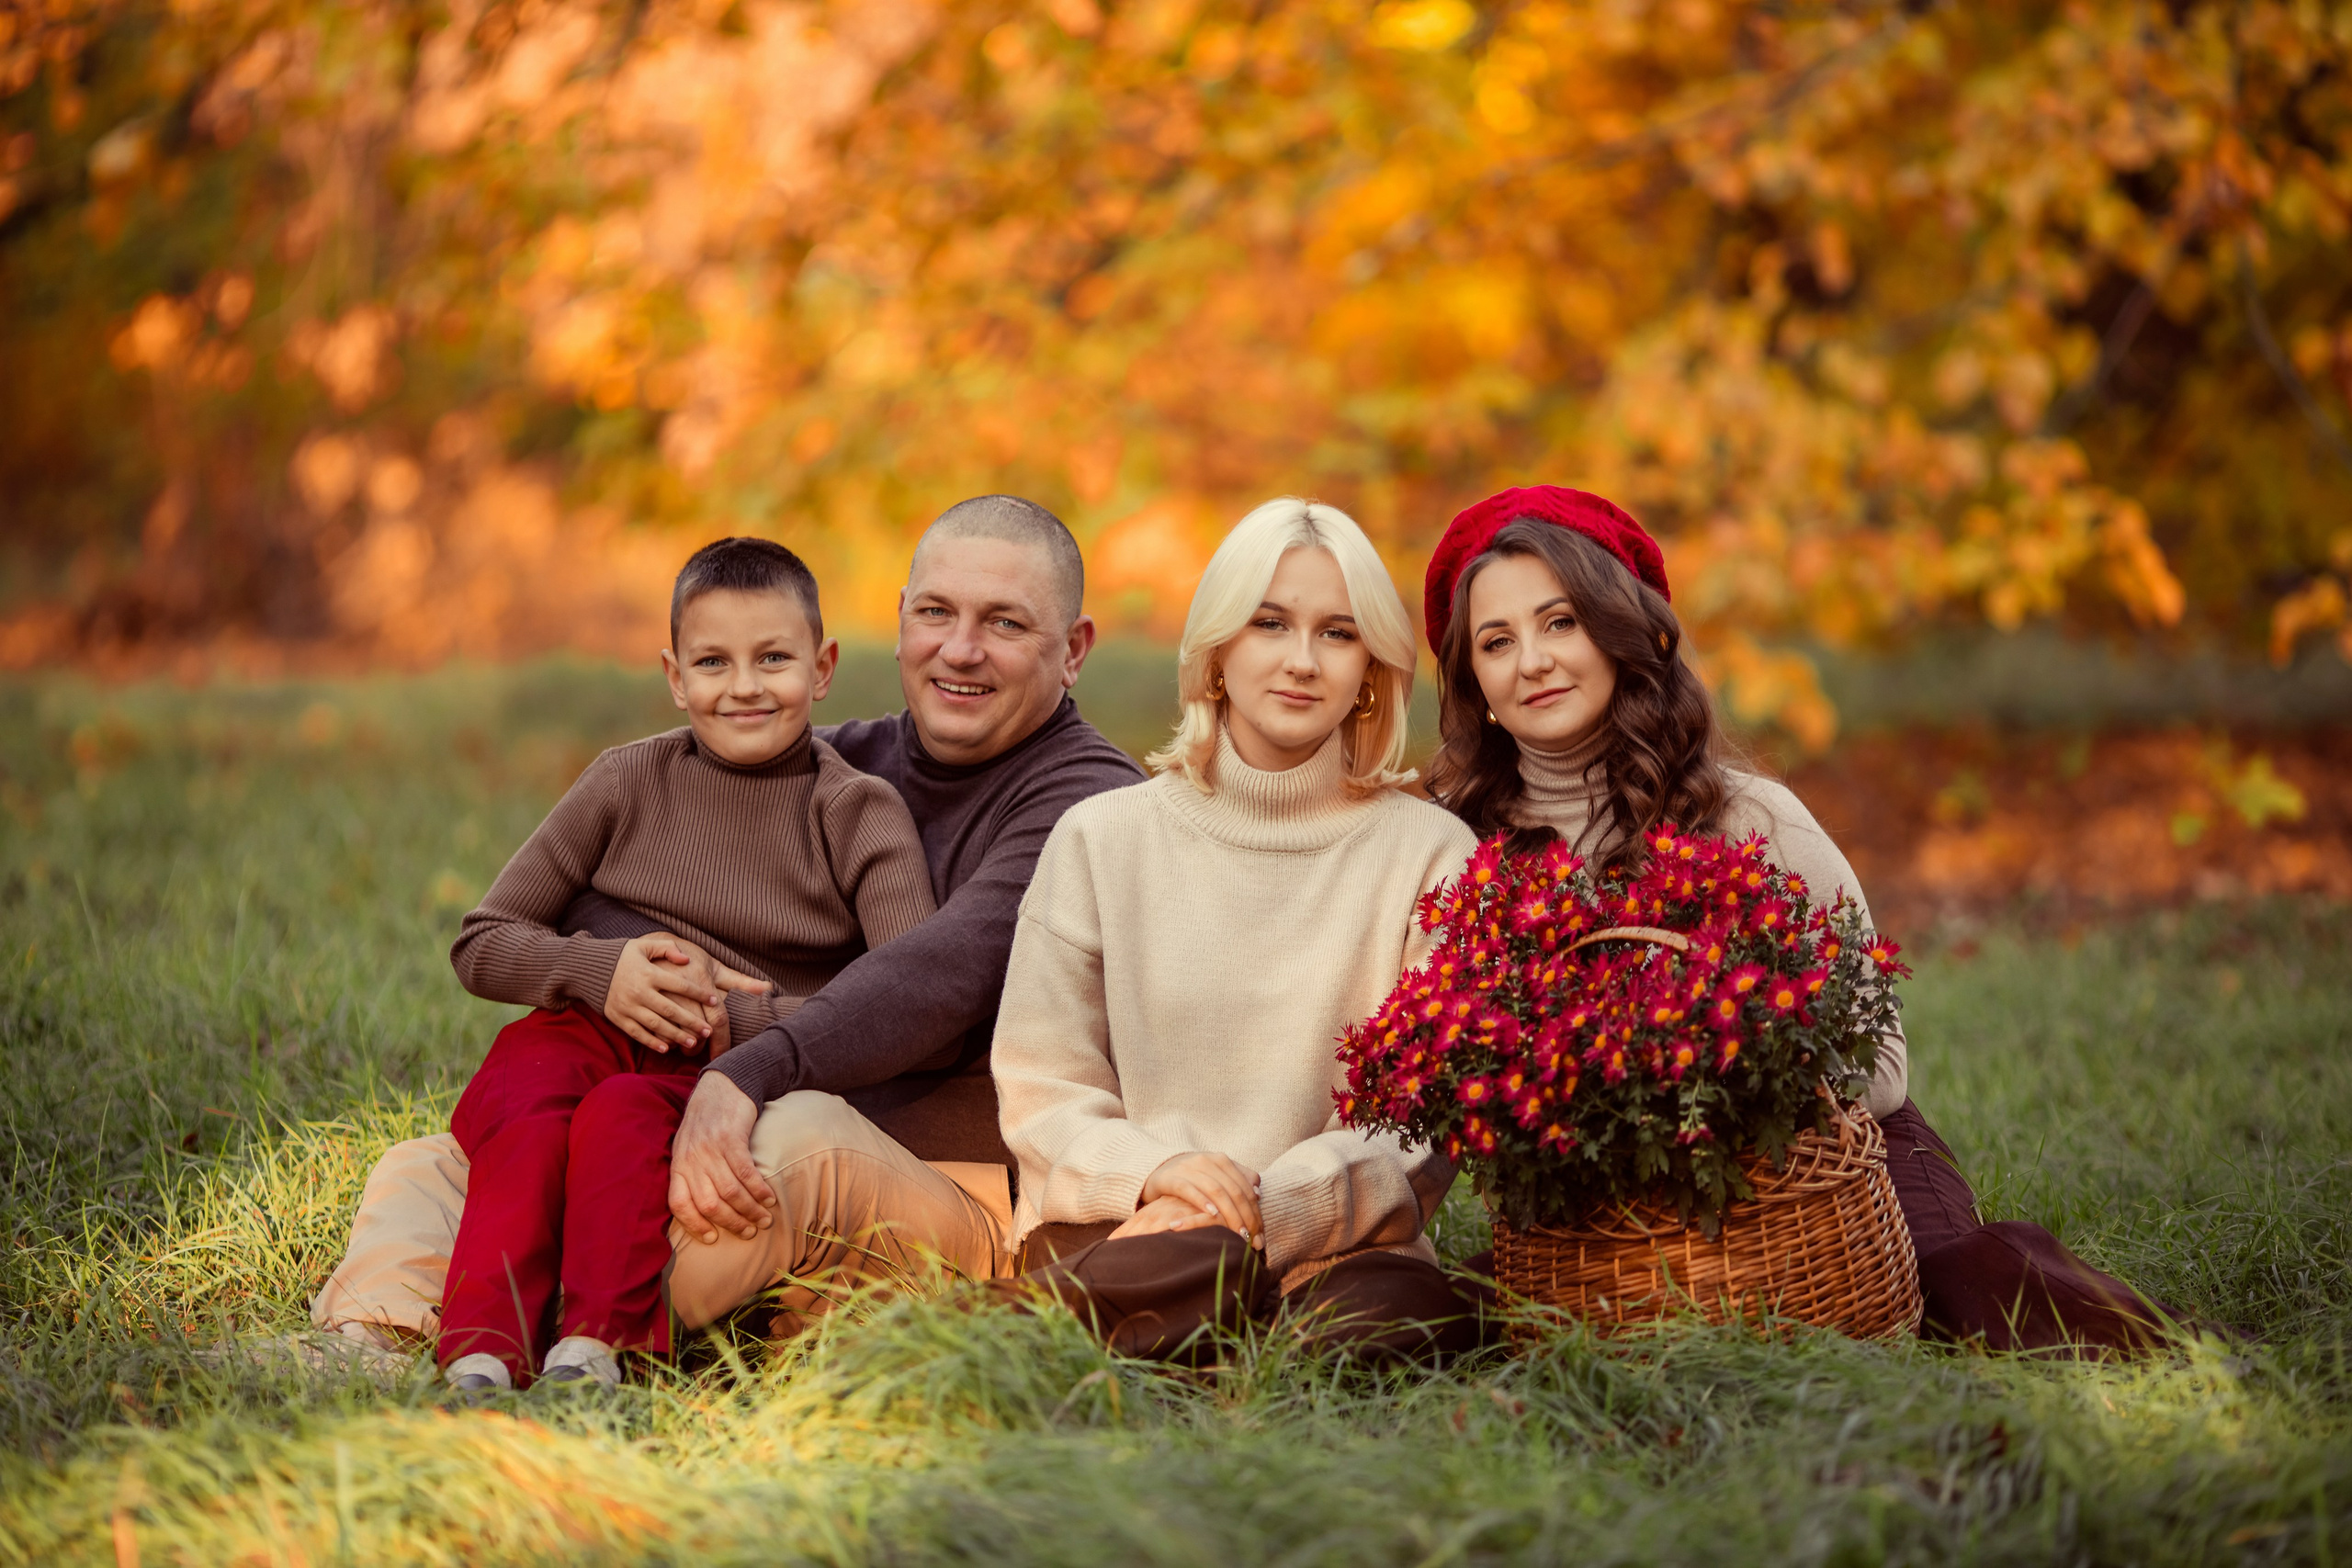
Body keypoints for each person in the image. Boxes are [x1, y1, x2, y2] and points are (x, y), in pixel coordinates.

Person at [311, 496, 1147, 1359]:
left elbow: (936, 983)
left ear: (1073, 650)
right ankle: (366, 1339)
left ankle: (560, 1337)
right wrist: (626, 969)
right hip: (773, 1101)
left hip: (951, 1179)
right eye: (937, 612)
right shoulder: (839, 757)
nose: (960, 648)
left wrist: (736, 1059)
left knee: (780, 1147)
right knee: (445, 1158)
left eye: (1005, 622)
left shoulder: (1082, 802)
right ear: (900, 622)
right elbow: (645, 875)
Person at [1419, 484, 2173, 1355]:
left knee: (1949, 1280)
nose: (1533, 662)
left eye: (1560, 623)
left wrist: (1720, 1127)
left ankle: (2172, 1352)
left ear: (1618, 627)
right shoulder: (1461, 851)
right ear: (1473, 679)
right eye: (1496, 641)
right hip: (1605, 1204)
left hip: (1834, 1157)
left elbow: (1880, 1054)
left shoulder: (1747, 815)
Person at [432, 536, 936, 1394]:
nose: (743, 685)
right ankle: (481, 1350)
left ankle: (595, 1347)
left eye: (773, 658)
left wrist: (734, 1020)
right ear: (674, 675)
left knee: (621, 1118)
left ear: (823, 667)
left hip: (720, 1059)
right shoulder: (623, 779)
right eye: (713, 661)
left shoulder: (856, 809)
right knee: (530, 1098)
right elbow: (482, 941)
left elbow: (903, 1000)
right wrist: (604, 972)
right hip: (590, 1021)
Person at [992, 498, 1487, 1364]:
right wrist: (1158, 1175)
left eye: (1337, 633)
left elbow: (1427, 1119)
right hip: (1136, 1231)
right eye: (1270, 623)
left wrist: (1272, 1206)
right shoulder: (1102, 838)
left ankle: (1158, 1349)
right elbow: (1043, 1086)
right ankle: (1031, 1337)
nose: (1301, 661)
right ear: (1218, 649)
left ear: (1371, 664)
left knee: (1395, 1318)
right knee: (1201, 1265)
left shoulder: (1434, 853)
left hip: (1338, 1250)